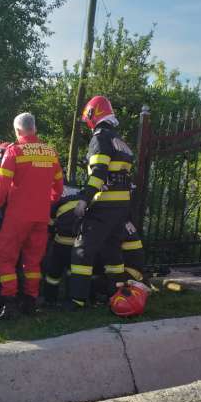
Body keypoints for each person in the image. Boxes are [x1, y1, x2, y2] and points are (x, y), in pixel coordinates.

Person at [0, 112, 63, 319]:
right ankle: (30, 302)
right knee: (33, 261)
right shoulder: (50, 152)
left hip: (17, 216)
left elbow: (1, 184)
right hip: (41, 215)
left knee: (6, 258)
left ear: (17, 130)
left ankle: (10, 303)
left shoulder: (14, 151)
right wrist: (47, 202)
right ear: (35, 128)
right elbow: (58, 186)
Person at [67, 95, 134, 307]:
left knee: (82, 250)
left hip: (104, 205)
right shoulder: (120, 142)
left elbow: (98, 172)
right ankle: (116, 296)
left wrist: (84, 199)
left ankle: (77, 300)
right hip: (122, 206)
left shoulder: (100, 138)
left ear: (92, 114)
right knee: (112, 252)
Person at [43, 183, 82, 306]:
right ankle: (71, 298)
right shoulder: (80, 193)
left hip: (61, 243)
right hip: (79, 243)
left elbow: (50, 222)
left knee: (53, 274)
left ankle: (50, 299)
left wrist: (51, 232)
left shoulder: (55, 195)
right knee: (73, 272)